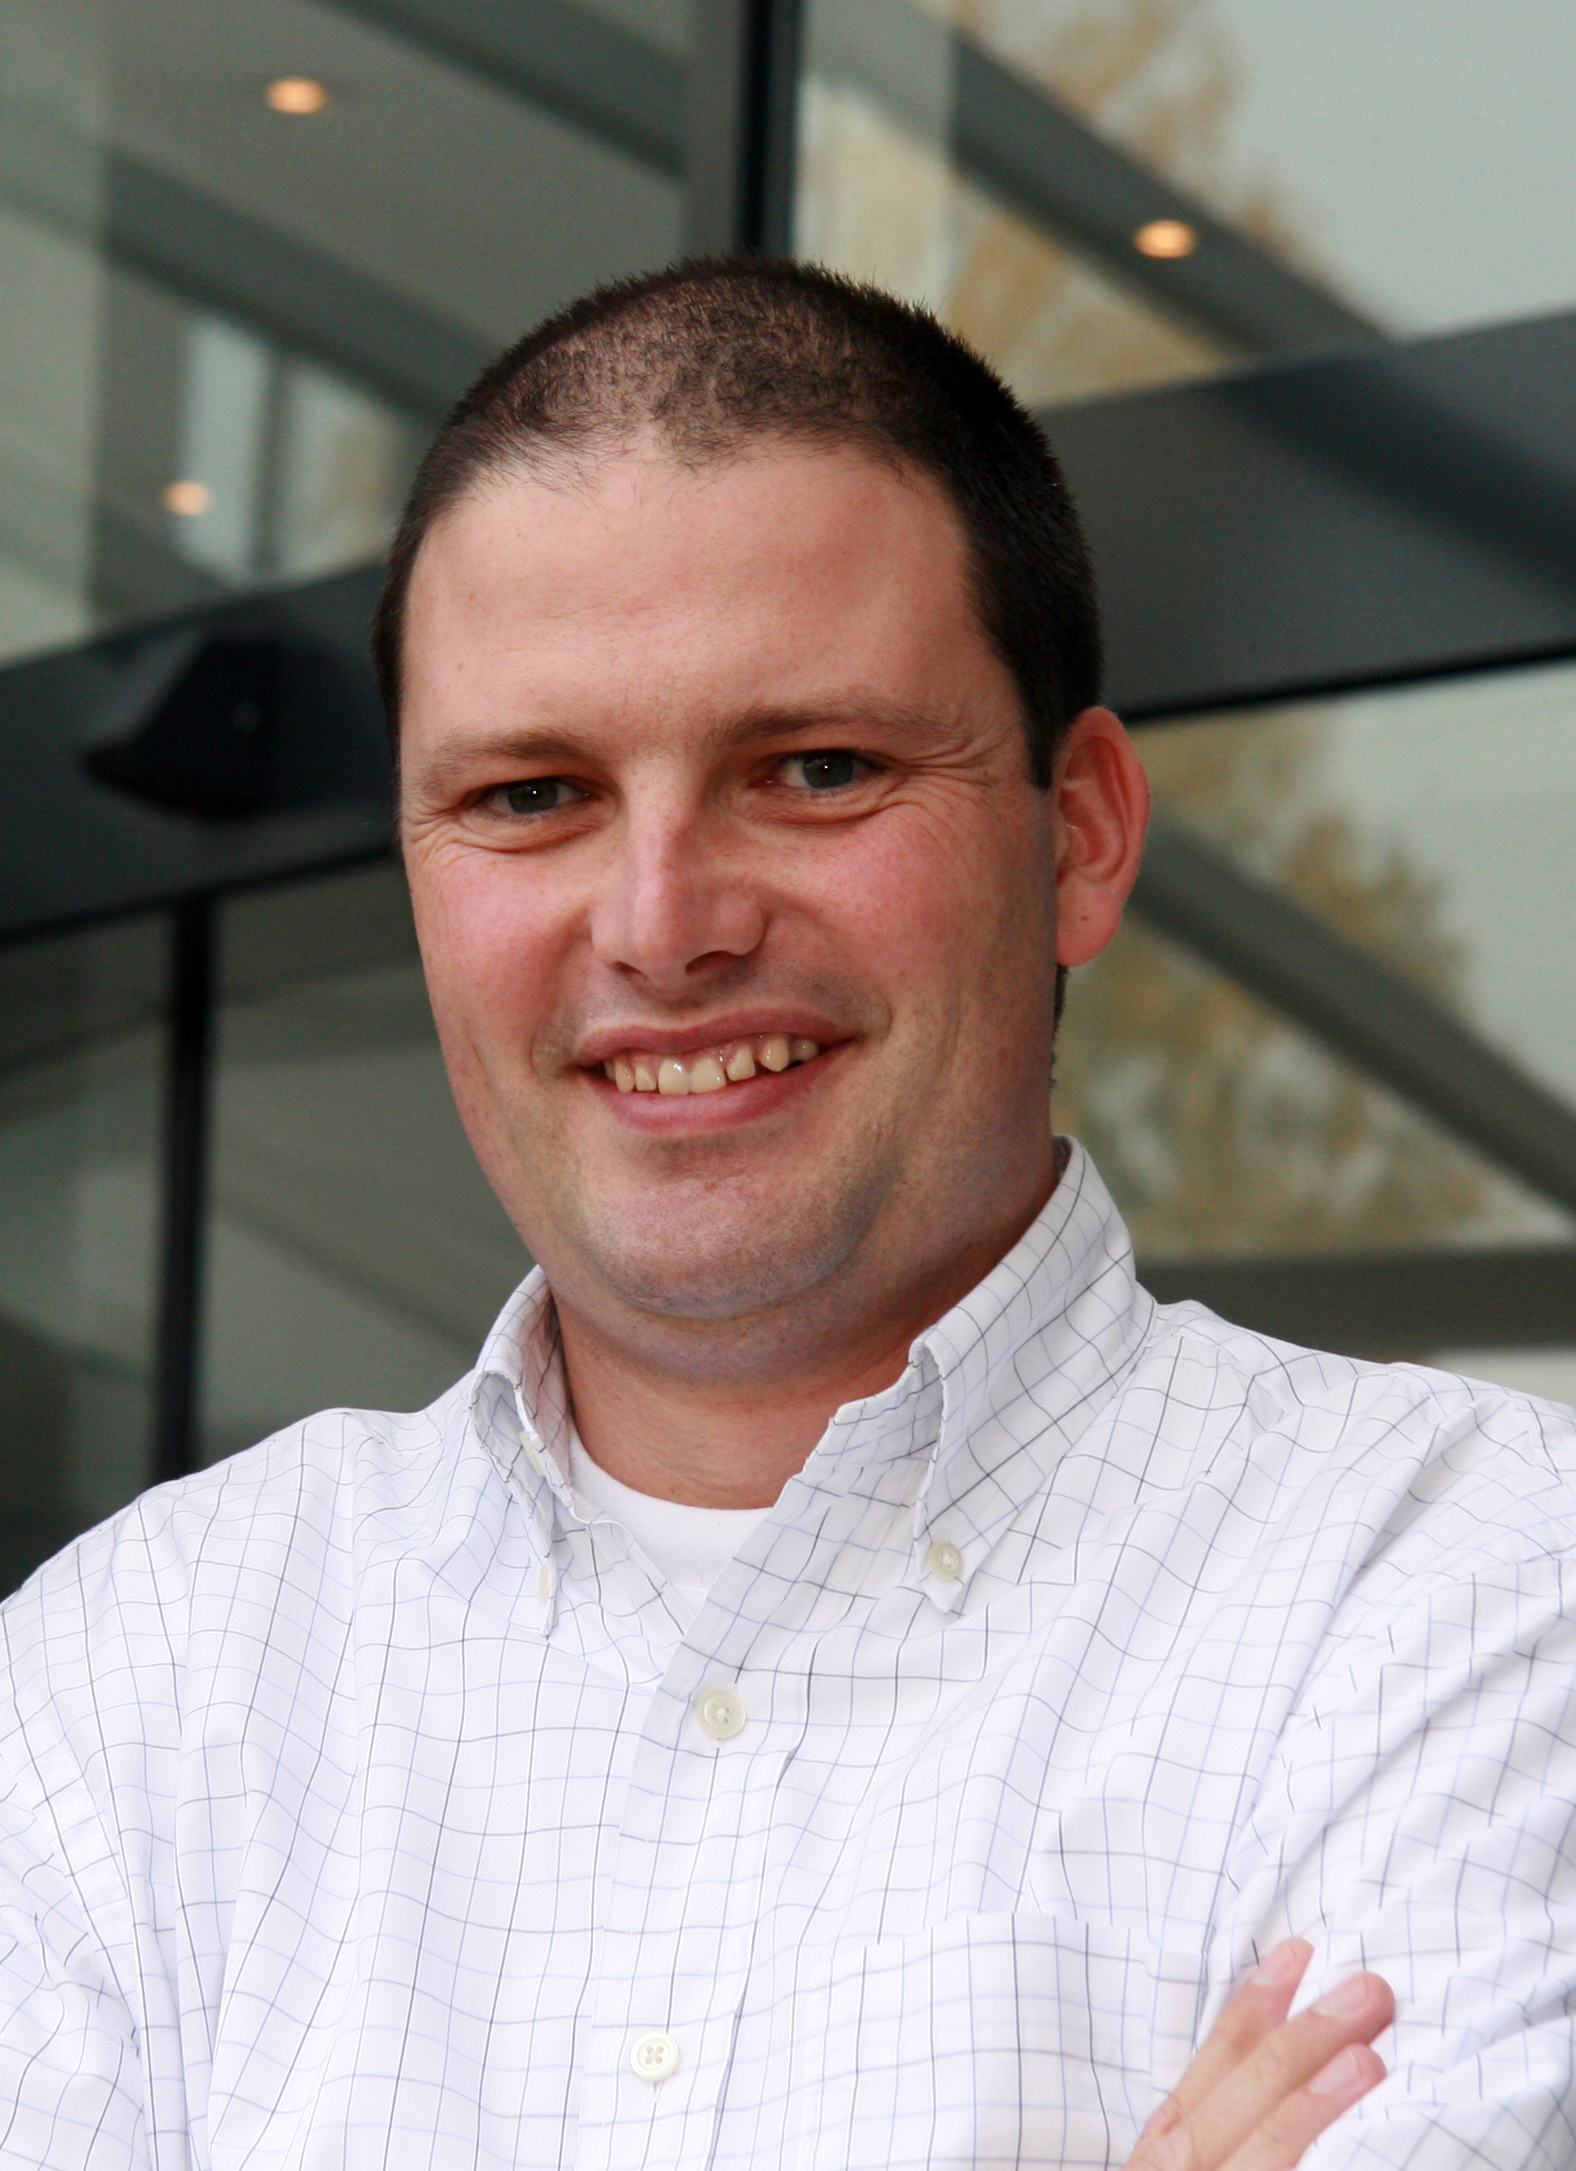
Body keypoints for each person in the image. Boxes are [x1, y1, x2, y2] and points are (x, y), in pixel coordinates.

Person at [0, 260, 1571, 2171]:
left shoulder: (1473, 1586)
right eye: (532, 795)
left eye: (816, 770)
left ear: (1078, 834)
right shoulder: (130, 1683)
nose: (663, 924)